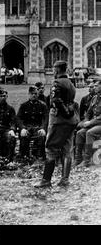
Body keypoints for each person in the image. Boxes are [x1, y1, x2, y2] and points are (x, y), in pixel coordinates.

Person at [36, 60, 79, 188]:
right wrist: (69, 113)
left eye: (54, 69)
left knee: (50, 148)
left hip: (59, 121)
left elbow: (55, 100)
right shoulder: (71, 83)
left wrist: (65, 113)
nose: (53, 71)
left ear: (57, 69)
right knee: (67, 149)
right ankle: (65, 179)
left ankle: (46, 180)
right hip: (71, 121)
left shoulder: (57, 82)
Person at [75, 80, 101, 166]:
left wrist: (90, 122)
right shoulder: (94, 98)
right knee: (79, 133)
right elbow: (89, 112)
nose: (94, 87)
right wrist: (85, 121)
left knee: (89, 133)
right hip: (94, 123)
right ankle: (78, 159)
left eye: (96, 86)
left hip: (99, 124)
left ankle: (87, 160)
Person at [17, 86, 48, 159]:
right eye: (32, 94)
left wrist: (43, 128)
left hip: (38, 127)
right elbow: (18, 118)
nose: (34, 95)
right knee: (24, 136)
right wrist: (22, 128)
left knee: (41, 136)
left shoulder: (43, 105)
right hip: (27, 127)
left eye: (36, 94)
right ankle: (24, 156)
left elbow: (46, 118)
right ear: (29, 94)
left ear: (38, 94)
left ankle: (39, 156)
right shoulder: (24, 106)